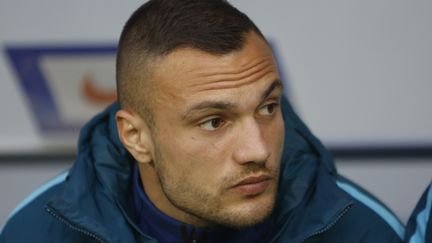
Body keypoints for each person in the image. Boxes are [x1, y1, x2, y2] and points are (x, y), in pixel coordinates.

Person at [1, 0, 405, 242]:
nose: (258, 150)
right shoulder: (38, 232)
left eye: (267, 108)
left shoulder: (360, 229)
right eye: (214, 122)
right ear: (136, 137)